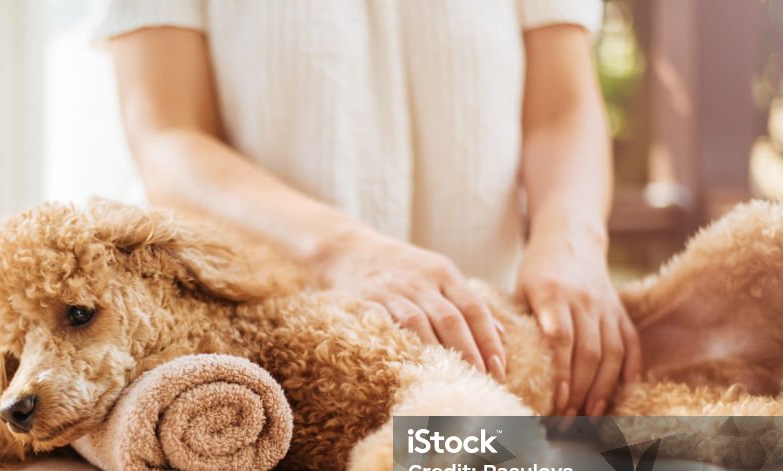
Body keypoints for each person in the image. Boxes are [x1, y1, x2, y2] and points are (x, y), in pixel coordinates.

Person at [104, 0, 641, 417]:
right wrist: (343, 253)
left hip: (502, 366)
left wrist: (571, 242)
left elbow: (561, 108)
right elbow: (168, 136)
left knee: (712, 461)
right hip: (282, 379)